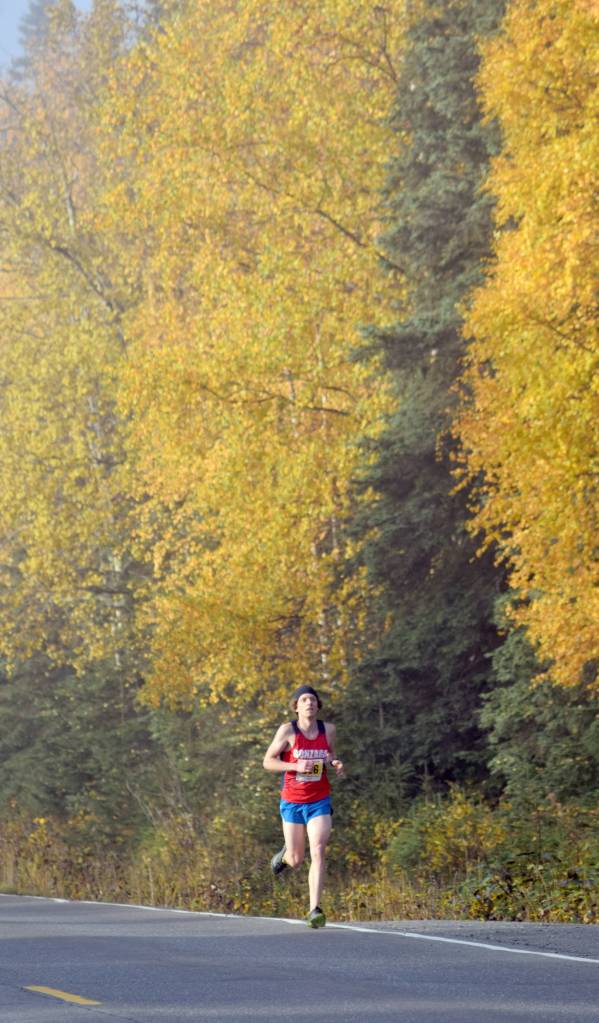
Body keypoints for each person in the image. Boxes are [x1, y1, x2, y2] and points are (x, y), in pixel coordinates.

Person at [262, 684, 344, 928]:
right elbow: (268, 762)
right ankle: (284, 856)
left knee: (318, 850)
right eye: (304, 700)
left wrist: (335, 763)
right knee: (296, 859)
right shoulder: (288, 731)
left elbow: (328, 754)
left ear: (318, 705)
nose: (309, 703)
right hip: (293, 801)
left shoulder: (328, 730)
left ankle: (314, 910)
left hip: (319, 800)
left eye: (313, 700)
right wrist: (295, 767)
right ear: (296, 706)